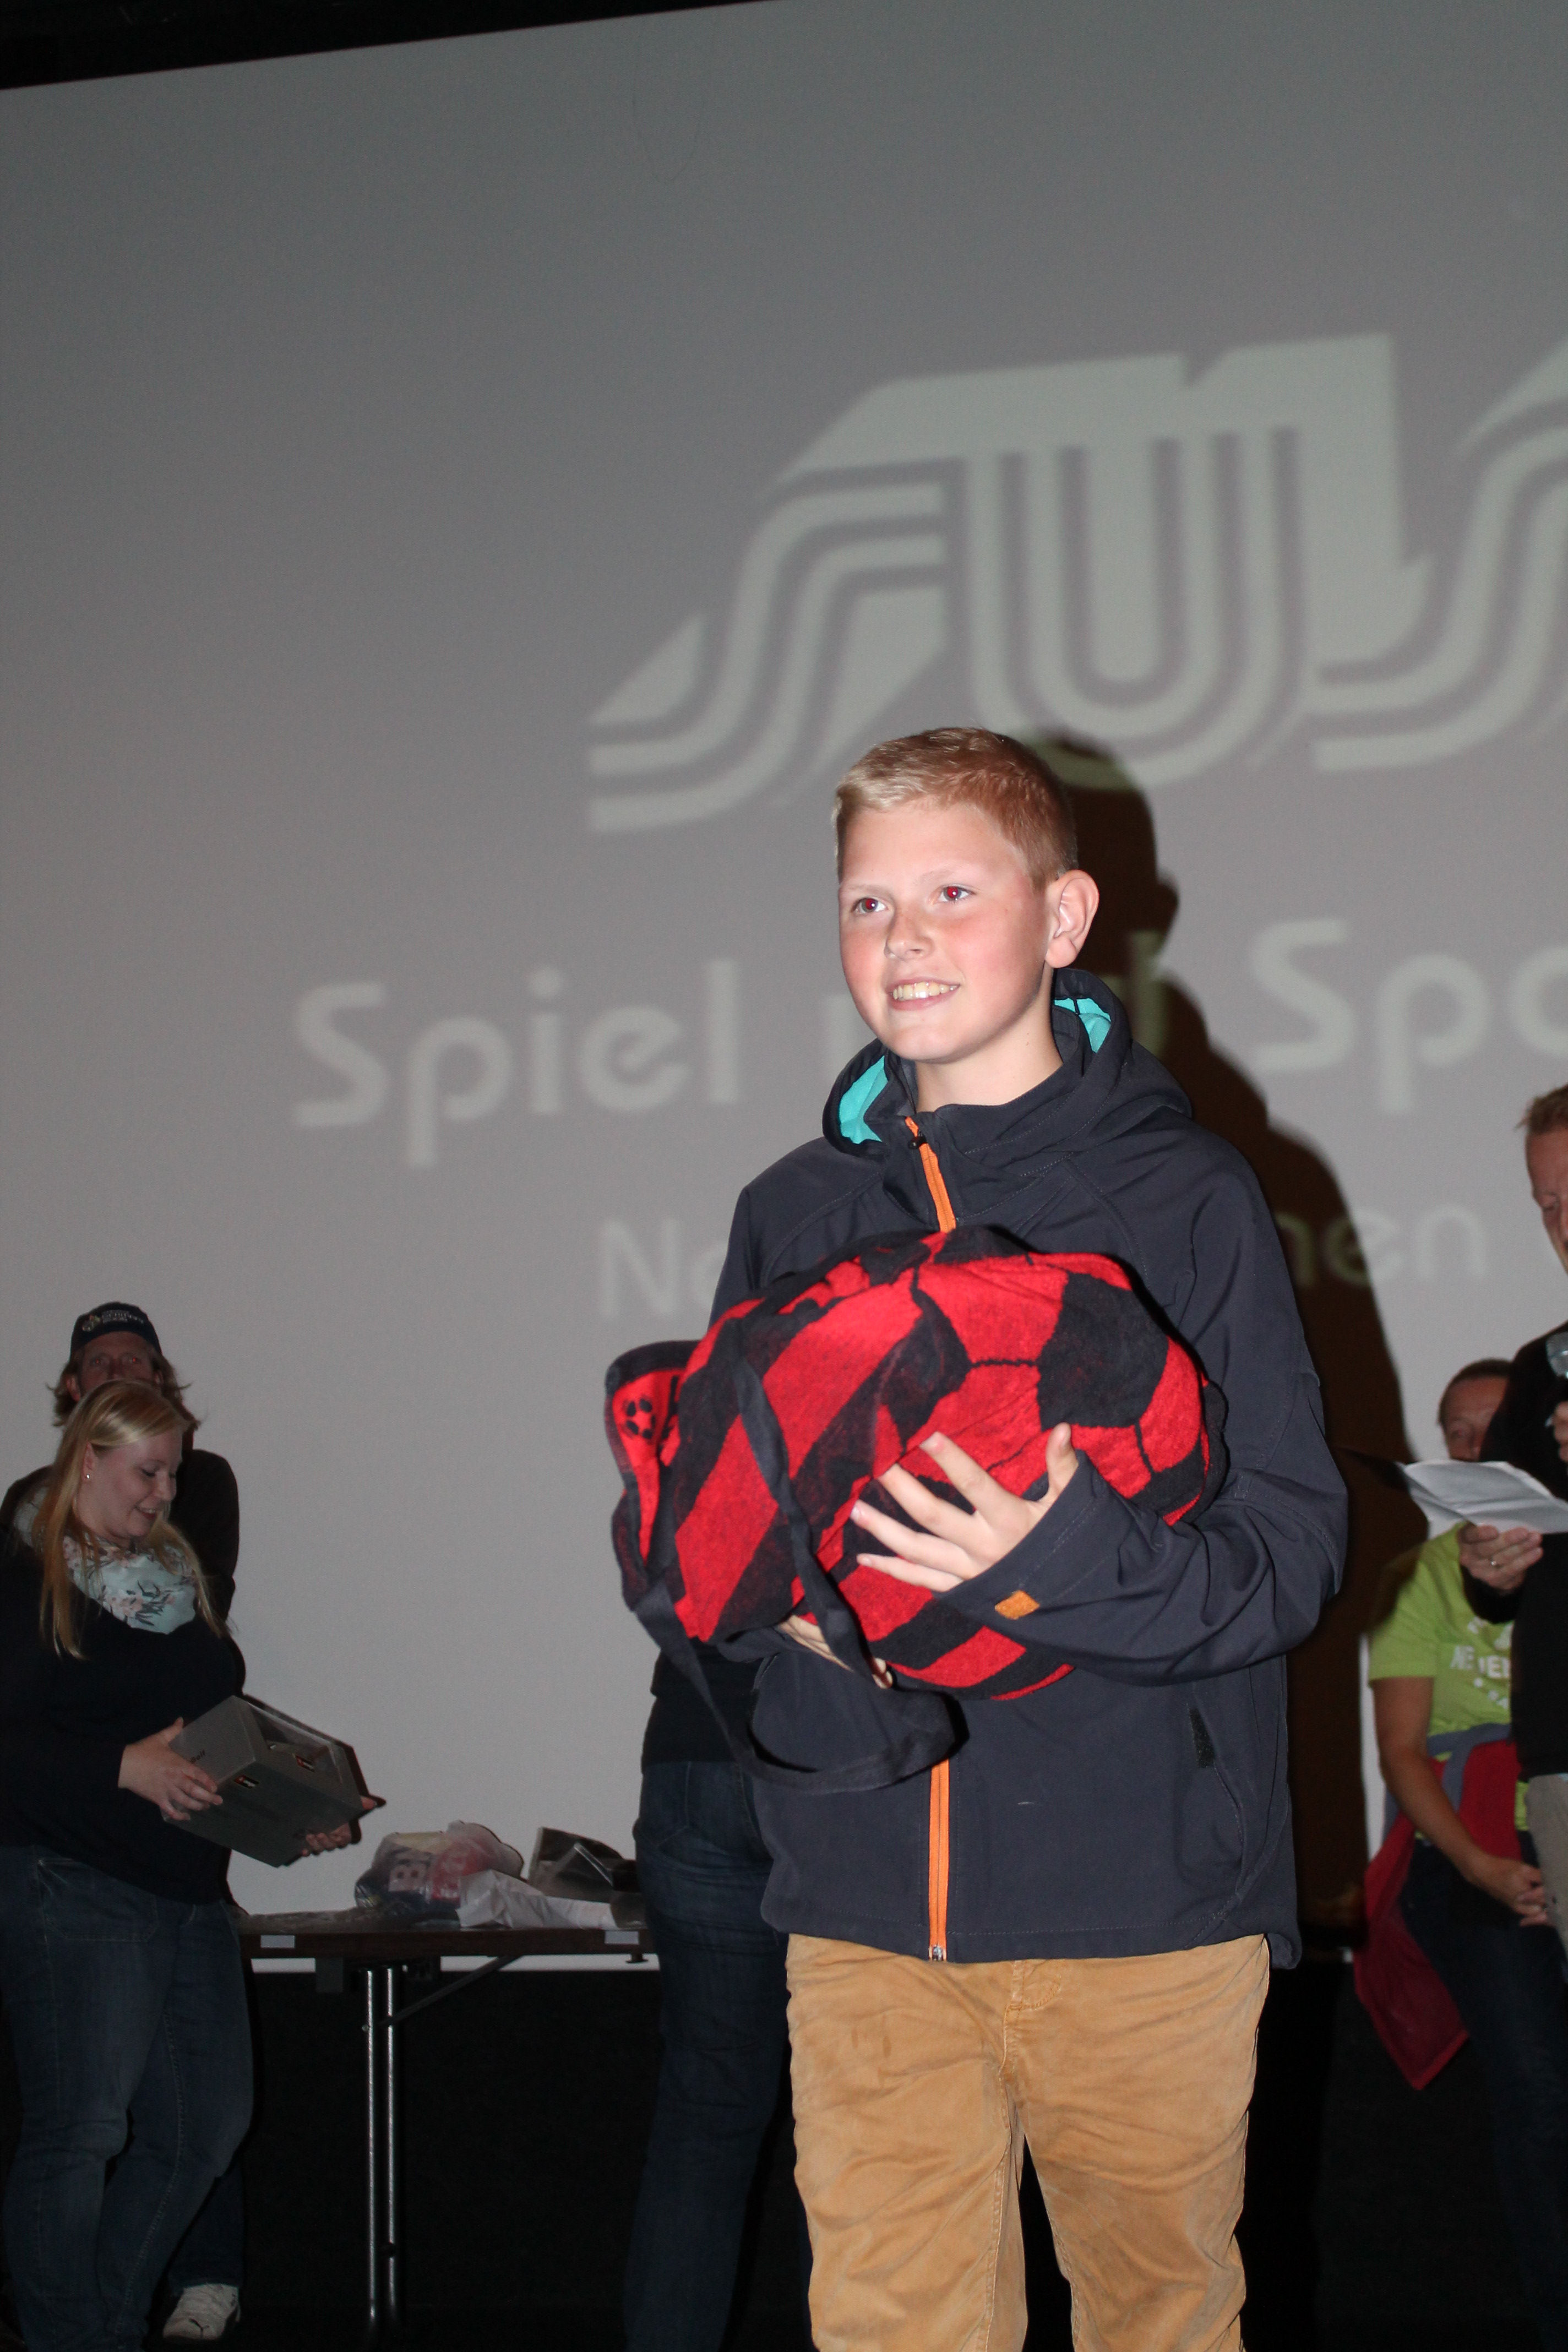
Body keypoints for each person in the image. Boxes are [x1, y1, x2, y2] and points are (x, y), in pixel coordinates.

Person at [692, 729, 1344, 2351]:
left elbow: (1294, 1549)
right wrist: (762, 1603)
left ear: (1063, 919)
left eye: (951, 894)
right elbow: (731, 1529)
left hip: (1143, 1906)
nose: (901, 939)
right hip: (862, 1906)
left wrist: (1056, 1562)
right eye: (866, 903)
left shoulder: (1188, 1195)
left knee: (1160, 2325)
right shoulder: (789, 1211)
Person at [0, 1306, 244, 2344]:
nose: (165, 1494)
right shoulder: (25, 1573)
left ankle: (95, 2327)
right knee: (82, 2133)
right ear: (87, 1460)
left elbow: (204, 1729)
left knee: (204, 2131)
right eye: (148, 1472)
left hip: (185, 1886)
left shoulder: (175, 1580)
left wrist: (287, 1806)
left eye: (174, 1474)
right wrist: (120, 1766)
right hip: (72, 1883)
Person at [1368, 1354, 1568, 2350]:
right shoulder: (1420, 1577)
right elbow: (1403, 1755)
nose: (1476, 1445)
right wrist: (1482, 1867)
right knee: (1542, 2106)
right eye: (1456, 1431)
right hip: (1473, 1856)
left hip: (1556, 1830)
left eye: (1495, 1426)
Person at [1459, 1084, 1568, 1957]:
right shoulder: (1542, 1369)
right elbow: (1499, 1580)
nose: (1565, 1226)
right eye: (1549, 1205)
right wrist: (1488, 1564)